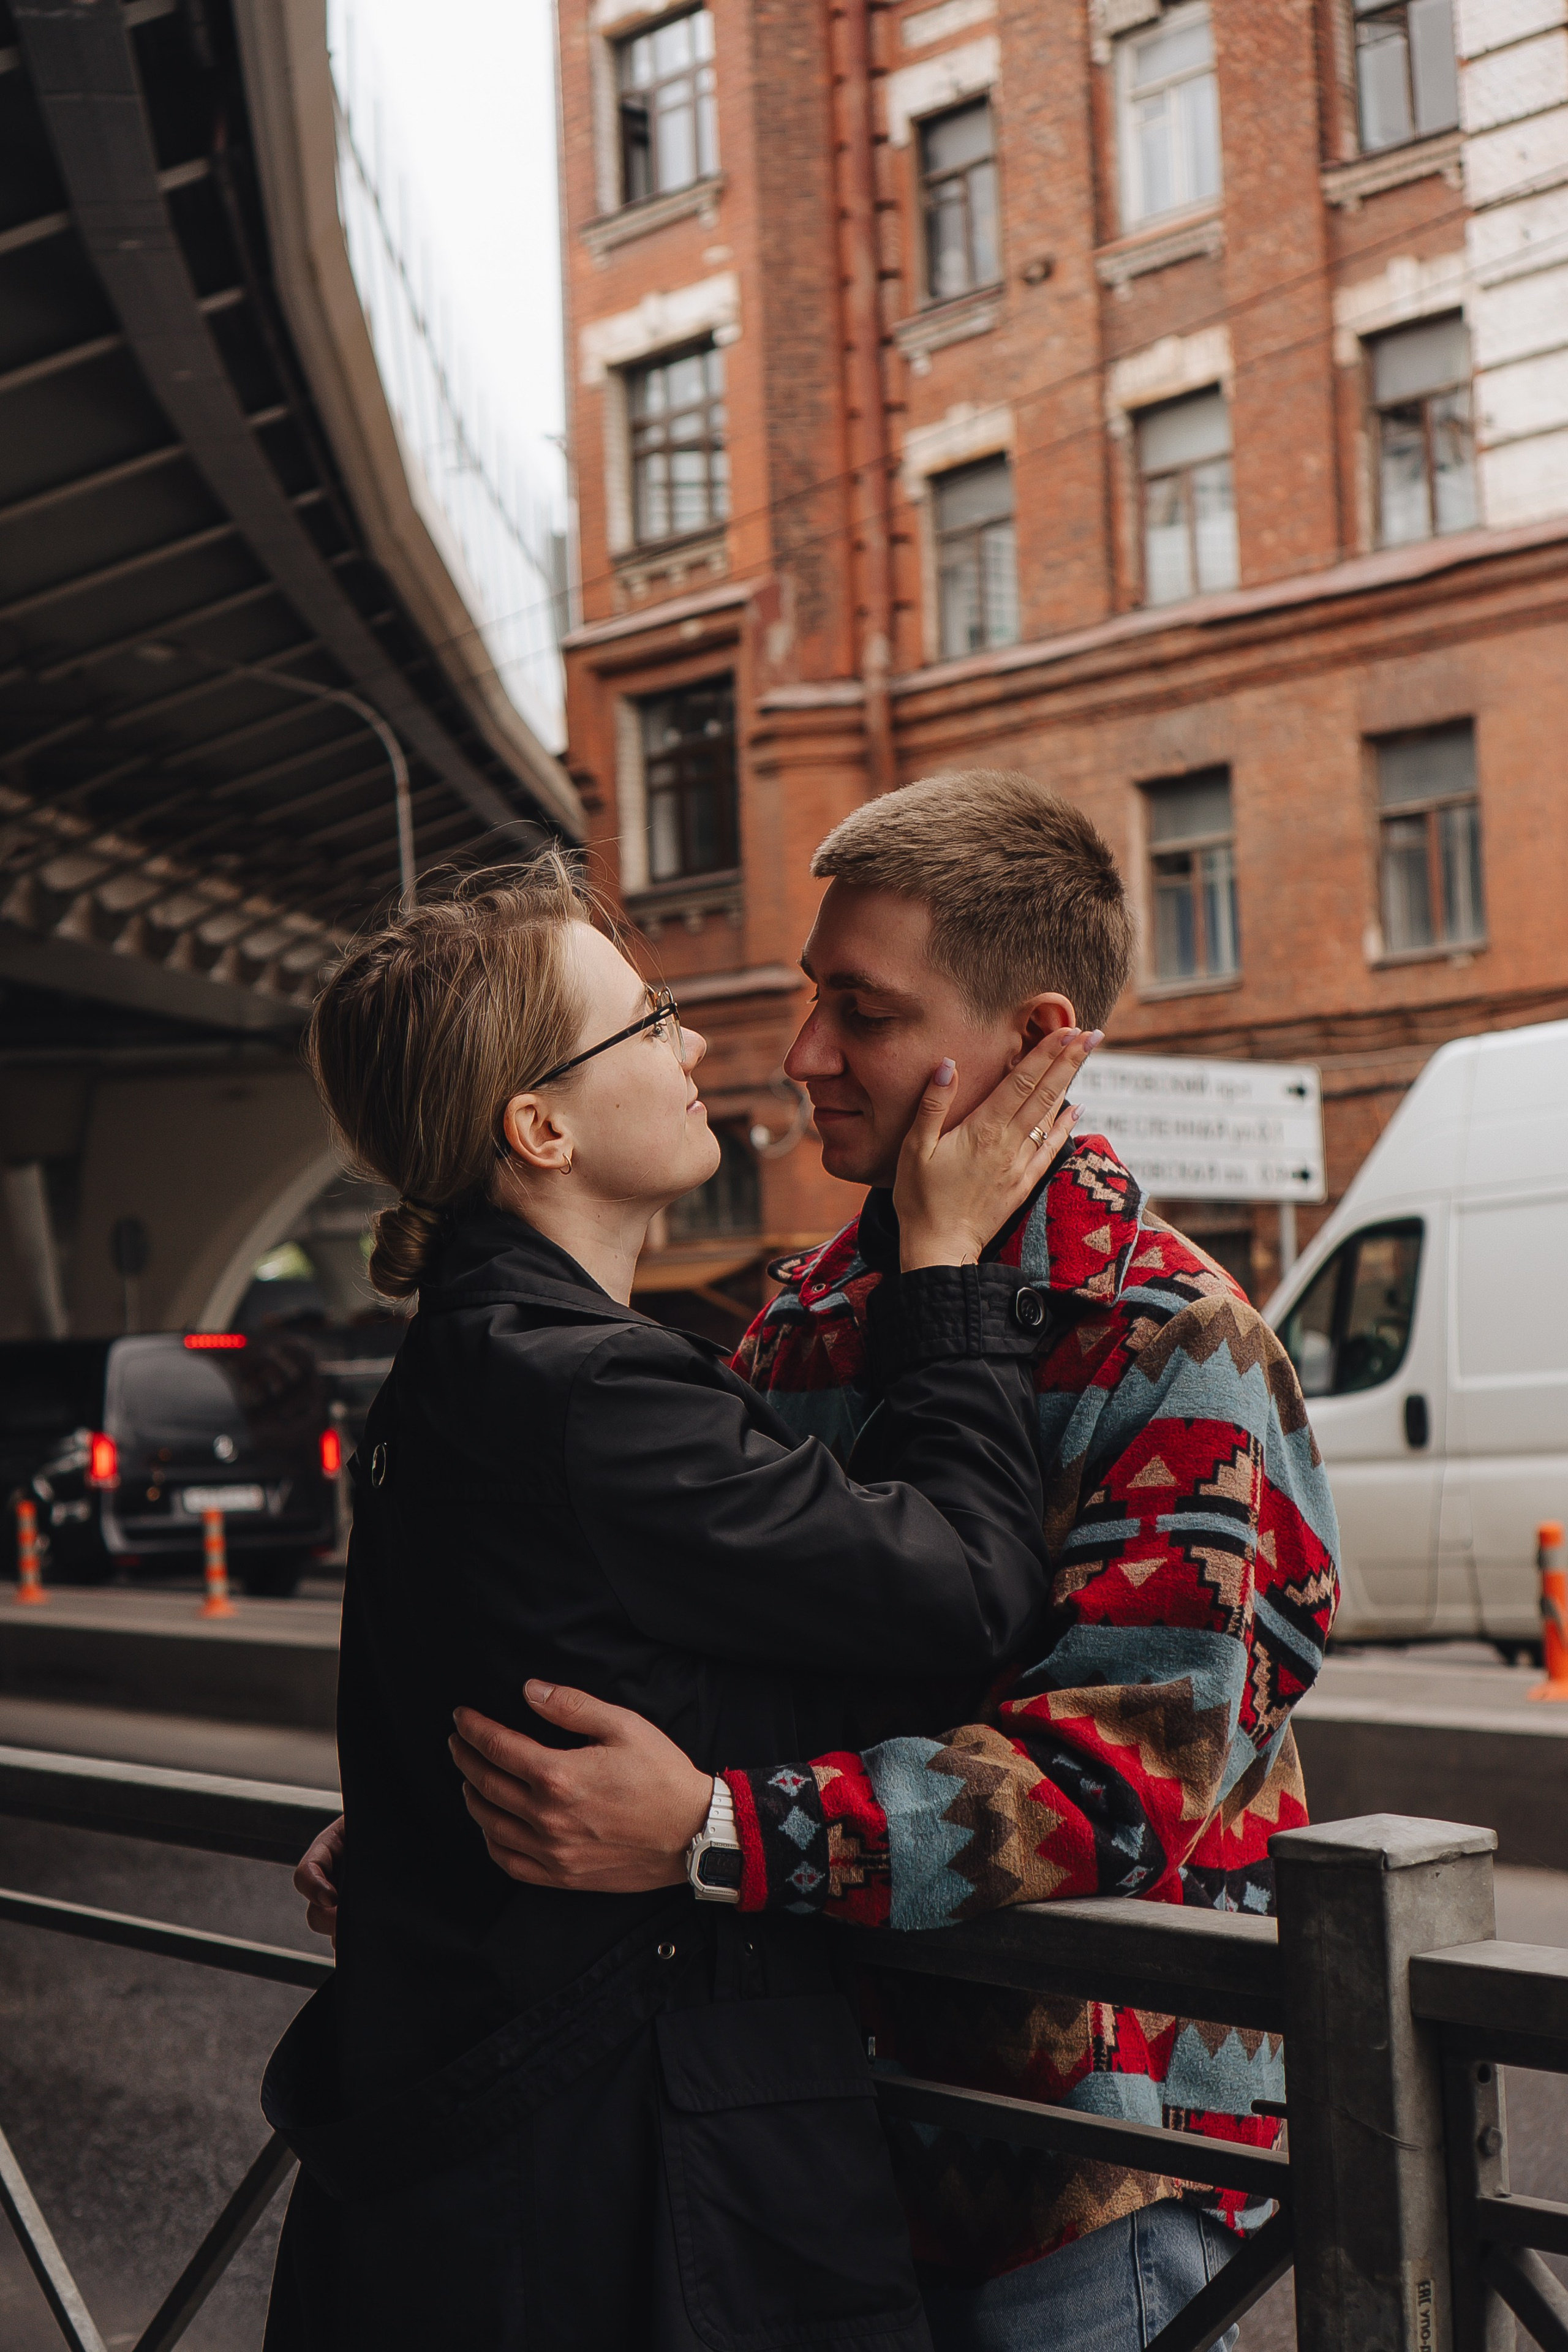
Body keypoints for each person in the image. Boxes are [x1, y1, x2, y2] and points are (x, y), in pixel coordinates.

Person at [301, 772, 1340, 2352]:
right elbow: (701, 1640)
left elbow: (1118, 1786)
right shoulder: (810, 1314)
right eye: (810, 998)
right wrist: (452, 1822)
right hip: (795, 2147)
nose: (796, 1056)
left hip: (1074, 2161)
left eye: (862, 1012)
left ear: (1031, 1037)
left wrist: (714, 1833)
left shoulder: (1175, 1343)